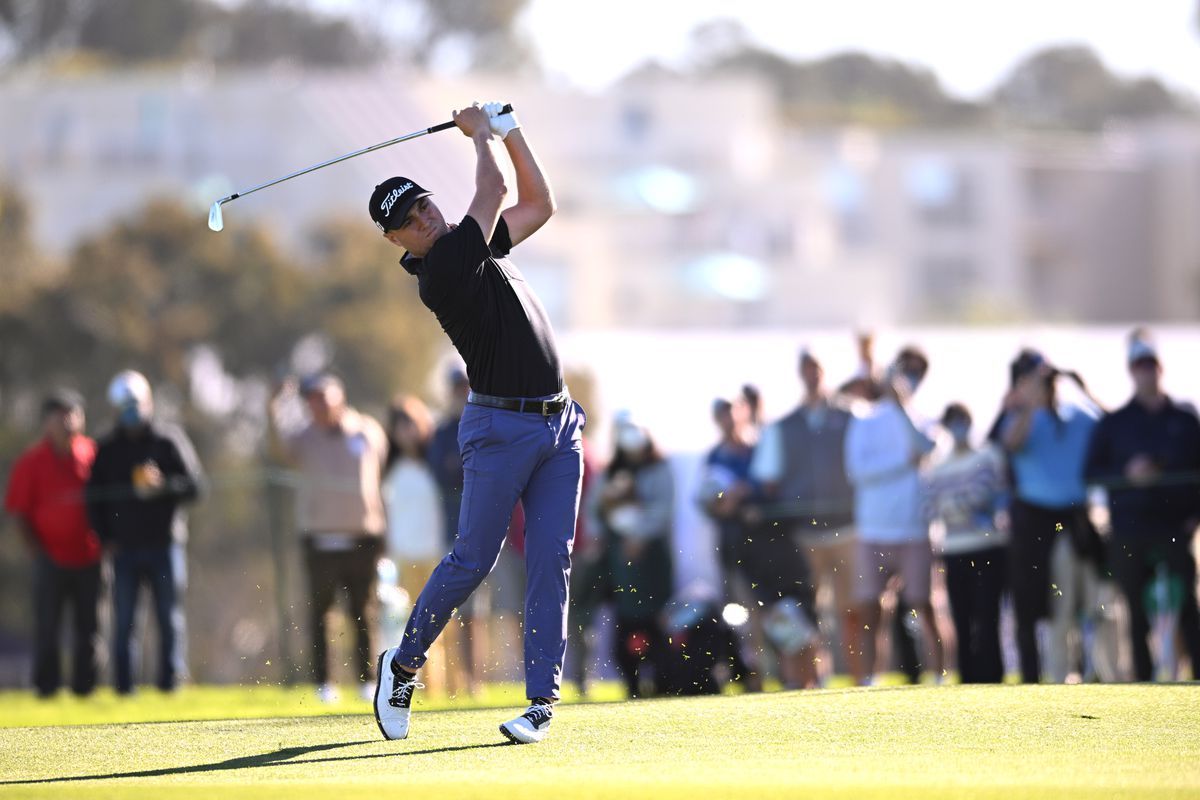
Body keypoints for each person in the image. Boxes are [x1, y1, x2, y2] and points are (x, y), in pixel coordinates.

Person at [370, 101, 585, 745]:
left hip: (559, 425)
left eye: (424, 205)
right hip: (498, 430)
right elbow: (492, 188)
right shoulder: (441, 270)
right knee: (472, 561)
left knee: (552, 559)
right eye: (408, 221)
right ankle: (404, 666)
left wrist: (513, 126)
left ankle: (541, 701)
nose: (423, 218)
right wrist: (481, 133)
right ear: (397, 242)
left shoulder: (473, 242)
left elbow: (539, 202)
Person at [267, 372, 389, 703]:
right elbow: (279, 446)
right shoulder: (303, 437)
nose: (317, 406)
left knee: (363, 611)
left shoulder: (367, 431)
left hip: (362, 538)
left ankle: (368, 679)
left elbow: (380, 468)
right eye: (311, 400)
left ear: (340, 397)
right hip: (319, 540)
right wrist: (274, 405)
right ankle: (324, 682)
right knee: (320, 612)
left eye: (323, 398)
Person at [1085, 332, 1200, 681]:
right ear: (1130, 371)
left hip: (1174, 527)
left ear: (1159, 368)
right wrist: (1127, 473)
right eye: (1139, 365)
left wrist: (1194, 518)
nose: (1145, 372)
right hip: (1129, 530)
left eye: (1150, 364)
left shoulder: (1184, 418)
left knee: (1187, 609)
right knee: (1133, 609)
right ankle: (1143, 681)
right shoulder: (1115, 423)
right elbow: (1091, 473)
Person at [86, 370, 204, 695]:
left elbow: (195, 487)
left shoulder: (168, 440)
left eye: (136, 404)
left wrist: (164, 485)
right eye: (125, 406)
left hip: (165, 546)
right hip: (123, 550)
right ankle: (125, 689)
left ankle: (170, 684)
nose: (132, 411)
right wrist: (104, 537)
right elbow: (93, 498)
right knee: (125, 622)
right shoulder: (107, 449)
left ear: (148, 402)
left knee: (169, 619)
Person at [751, 349, 860, 684]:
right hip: (804, 535)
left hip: (847, 530)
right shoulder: (784, 426)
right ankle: (818, 677)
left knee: (853, 610)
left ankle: (862, 679)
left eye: (817, 368)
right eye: (807, 368)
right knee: (810, 614)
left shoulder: (850, 417)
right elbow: (767, 477)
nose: (813, 374)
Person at [1000, 355, 1102, 683]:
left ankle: (1097, 672)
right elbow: (1010, 443)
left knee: (1095, 606)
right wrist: (1031, 402)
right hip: (1037, 523)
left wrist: (1082, 387)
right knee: (1054, 608)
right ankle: (1057, 676)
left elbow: (1117, 425)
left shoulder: (1077, 416)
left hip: (1077, 520)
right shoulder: (1022, 420)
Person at [844, 347, 941, 684]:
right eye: (905, 370)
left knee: (923, 605)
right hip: (873, 529)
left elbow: (927, 449)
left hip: (913, 529)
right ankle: (870, 680)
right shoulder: (864, 420)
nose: (909, 379)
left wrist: (901, 409)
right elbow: (858, 471)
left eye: (916, 373)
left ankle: (940, 678)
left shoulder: (924, 418)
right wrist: (903, 463)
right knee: (871, 610)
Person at [4, 390, 100, 698]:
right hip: (50, 558)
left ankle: (86, 688)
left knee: (89, 628)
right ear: (47, 422)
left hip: (90, 557)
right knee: (48, 626)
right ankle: (47, 688)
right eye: (61, 414)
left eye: (75, 413)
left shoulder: (93, 455)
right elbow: (19, 510)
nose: (69, 420)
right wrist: (36, 550)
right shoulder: (31, 462)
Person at [588, 413, 675, 698]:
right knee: (625, 630)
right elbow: (594, 512)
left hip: (652, 563)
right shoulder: (610, 473)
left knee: (658, 628)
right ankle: (633, 686)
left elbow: (662, 511)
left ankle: (662, 685)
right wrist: (604, 533)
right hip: (621, 565)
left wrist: (639, 535)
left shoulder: (659, 469)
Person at [922, 403, 1008, 683]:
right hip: (954, 550)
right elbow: (931, 506)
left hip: (987, 547)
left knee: (987, 617)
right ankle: (969, 679)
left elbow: (982, 495)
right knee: (962, 618)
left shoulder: (988, 455)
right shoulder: (938, 465)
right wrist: (958, 504)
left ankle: (993, 678)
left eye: (962, 420)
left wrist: (953, 504)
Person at [381, 394, 446, 692]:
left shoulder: (434, 464)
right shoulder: (388, 469)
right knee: (405, 625)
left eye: (410, 423)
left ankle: (441, 687)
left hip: (434, 554)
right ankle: (407, 686)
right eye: (399, 425)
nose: (405, 431)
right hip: (401, 556)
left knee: (438, 625)